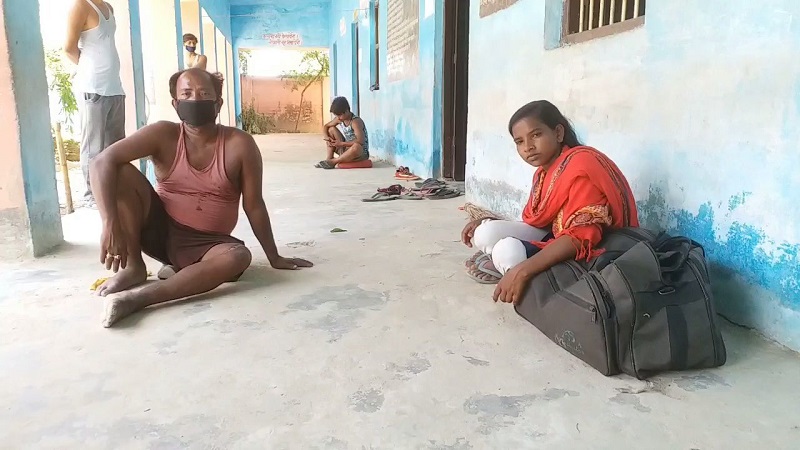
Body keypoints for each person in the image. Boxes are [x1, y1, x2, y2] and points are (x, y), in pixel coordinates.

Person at [90, 68, 313, 328]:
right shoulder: (163, 134)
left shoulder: (239, 144)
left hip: (207, 244)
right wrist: (109, 222)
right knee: (118, 170)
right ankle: (135, 268)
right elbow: (101, 162)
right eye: (186, 94)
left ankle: (139, 299)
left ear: (218, 103)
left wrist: (274, 257)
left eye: (204, 93)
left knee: (238, 256)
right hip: (158, 232)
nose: (195, 100)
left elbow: (254, 204)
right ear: (175, 103)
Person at [461, 100, 639, 305]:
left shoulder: (581, 165)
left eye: (536, 135)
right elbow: (540, 223)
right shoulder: (543, 173)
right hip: (557, 236)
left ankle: (515, 271)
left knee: (506, 250)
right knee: (485, 233)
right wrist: (490, 221)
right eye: (519, 142)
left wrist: (523, 269)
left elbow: (582, 237)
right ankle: (508, 267)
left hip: (593, 252)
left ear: (558, 133)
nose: (528, 147)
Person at [64, 0, 126, 205]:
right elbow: (69, 48)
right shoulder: (81, 6)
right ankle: (93, 196)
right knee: (93, 146)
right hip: (92, 87)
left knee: (116, 145)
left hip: (114, 87)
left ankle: (115, 189)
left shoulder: (108, 7)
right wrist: (88, 69)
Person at [317, 97, 370, 169]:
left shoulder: (355, 121)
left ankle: (333, 162)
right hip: (346, 150)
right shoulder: (340, 119)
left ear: (346, 111)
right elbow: (326, 126)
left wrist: (341, 144)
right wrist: (327, 138)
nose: (338, 118)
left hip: (359, 153)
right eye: (336, 115)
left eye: (339, 115)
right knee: (331, 129)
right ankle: (329, 159)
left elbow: (360, 141)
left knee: (356, 146)